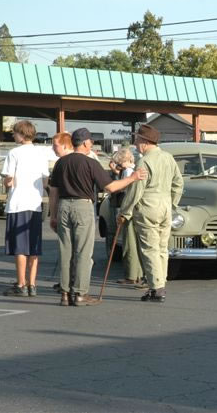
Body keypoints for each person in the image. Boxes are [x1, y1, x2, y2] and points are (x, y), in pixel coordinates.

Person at [49, 128, 147, 306]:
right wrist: (132, 178)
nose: (92, 144)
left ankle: (64, 293)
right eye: (91, 142)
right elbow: (110, 187)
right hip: (82, 206)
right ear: (85, 143)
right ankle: (80, 293)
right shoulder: (90, 163)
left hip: (63, 206)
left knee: (65, 251)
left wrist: (53, 215)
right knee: (83, 252)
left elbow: (53, 191)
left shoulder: (61, 162)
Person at [117, 124, 184, 303]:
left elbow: (136, 190)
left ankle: (156, 288)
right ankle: (160, 283)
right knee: (162, 248)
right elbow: (178, 183)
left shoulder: (144, 161)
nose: (135, 143)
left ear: (145, 142)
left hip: (148, 206)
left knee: (150, 249)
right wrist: (172, 202)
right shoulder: (168, 157)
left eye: (137, 139)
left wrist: (125, 212)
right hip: (165, 206)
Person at [1, 120, 50, 297]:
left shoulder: (14, 152)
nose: (13, 135)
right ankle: (32, 284)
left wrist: (7, 182)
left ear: (21, 134)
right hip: (35, 204)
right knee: (33, 246)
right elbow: (45, 181)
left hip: (18, 204)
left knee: (20, 247)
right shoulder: (41, 153)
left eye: (14, 133)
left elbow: (9, 180)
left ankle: (21, 284)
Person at [110, 148, 143, 285]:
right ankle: (138, 274)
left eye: (121, 162)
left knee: (129, 243)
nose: (120, 165)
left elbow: (126, 188)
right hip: (136, 210)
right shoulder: (134, 169)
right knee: (136, 243)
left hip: (128, 209)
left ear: (127, 160)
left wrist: (123, 212)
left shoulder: (128, 172)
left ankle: (131, 275)